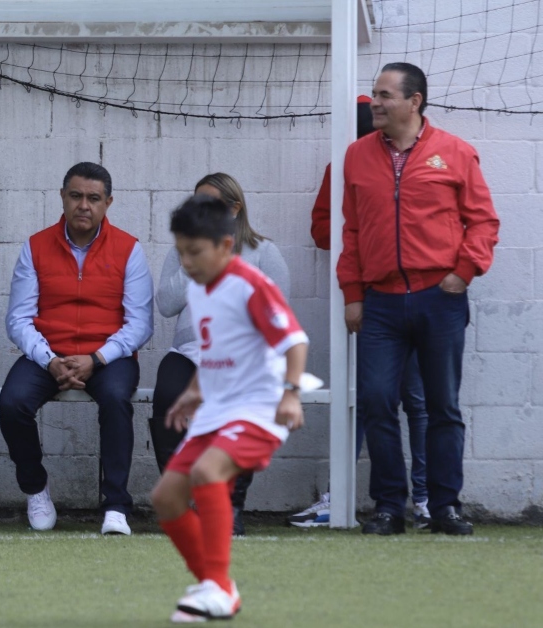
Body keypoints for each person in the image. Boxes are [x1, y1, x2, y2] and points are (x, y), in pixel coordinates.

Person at [339, 62, 499, 536]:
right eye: (373, 94)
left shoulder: (455, 152)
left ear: (415, 101)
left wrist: (463, 272)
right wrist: (353, 294)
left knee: (442, 406)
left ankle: (445, 507)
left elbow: (484, 221)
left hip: (439, 299)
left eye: (385, 95)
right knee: (377, 401)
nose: (376, 103)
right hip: (381, 303)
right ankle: (389, 506)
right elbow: (351, 231)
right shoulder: (356, 156)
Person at [151, 194, 308, 622]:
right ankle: (217, 586)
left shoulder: (250, 285)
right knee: (166, 498)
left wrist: (291, 393)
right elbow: (213, 350)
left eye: (195, 252)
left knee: (207, 473)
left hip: (259, 407)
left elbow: (294, 340)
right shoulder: (200, 290)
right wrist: (195, 390)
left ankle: (217, 585)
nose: (186, 262)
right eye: (181, 252)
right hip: (216, 409)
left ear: (225, 245)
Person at [289, 96, 431, 529]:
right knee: (369, 399)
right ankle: (341, 496)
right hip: (367, 300)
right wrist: (368, 235)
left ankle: (426, 498)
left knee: (420, 401)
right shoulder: (344, 164)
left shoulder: (422, 159)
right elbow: (321, 230)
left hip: (418, 296)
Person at [0, 162, 152, 535]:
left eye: (94, 198)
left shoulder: (128, 249)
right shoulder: (35, 246)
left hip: (108, 357)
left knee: (116, 400)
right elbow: (18, 319)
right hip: (48, 354)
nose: (84, 205)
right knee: (11, 403)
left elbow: (140, 324)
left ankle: (115, 505)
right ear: (63, 197)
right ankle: (35, 489)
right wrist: (50, 361)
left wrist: (97, 358)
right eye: (77, 196)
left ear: (108, 203)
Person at [151, 173, 290, 537]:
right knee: (168, 398)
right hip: (188, 352)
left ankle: (231, 506)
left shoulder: (264, 253)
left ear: (234, 208)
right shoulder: (182, 251)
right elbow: (165, 305)